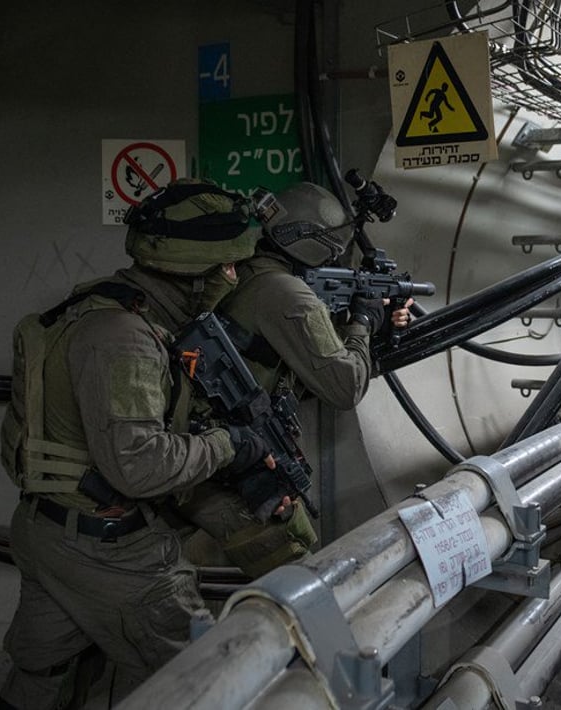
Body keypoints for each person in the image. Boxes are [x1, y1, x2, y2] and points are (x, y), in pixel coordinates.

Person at [0, 180, 278, 709]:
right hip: (110, 550)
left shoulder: (100, 306)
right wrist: (228, 445)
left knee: (43, 676)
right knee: (207, 681)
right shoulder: (125, 337)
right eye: (227, 267)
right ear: (192, 273)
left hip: (50, 531)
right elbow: (139, 467)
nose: (233, 277)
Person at [170, 180, 411, 577]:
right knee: (296, 567)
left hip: (200, 441)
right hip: (230, 457)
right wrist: (364, 321)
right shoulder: (289, 294)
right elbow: (345, 386)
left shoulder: (244, 270)